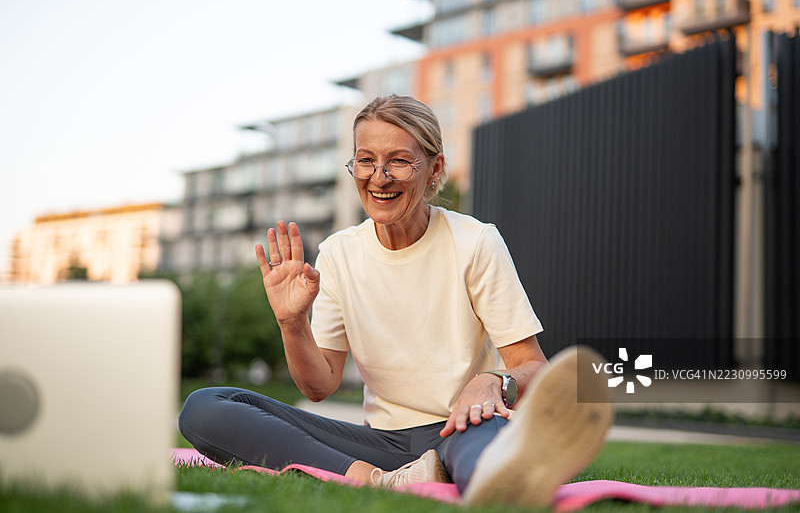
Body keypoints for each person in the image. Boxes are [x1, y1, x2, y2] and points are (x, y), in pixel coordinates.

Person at [178, 95, 612, 508]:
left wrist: (497, 382)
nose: (378, 177)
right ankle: (376, 479)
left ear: (434, 169)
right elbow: (319, 386)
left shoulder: (476, 241)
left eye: (399, 161)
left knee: (485, 463)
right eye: (365, 160)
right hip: (382, 444)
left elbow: (534, 366)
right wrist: (292, 323)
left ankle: (513, 471)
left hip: (464, 425)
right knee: (205, 408)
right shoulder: (338, 253)